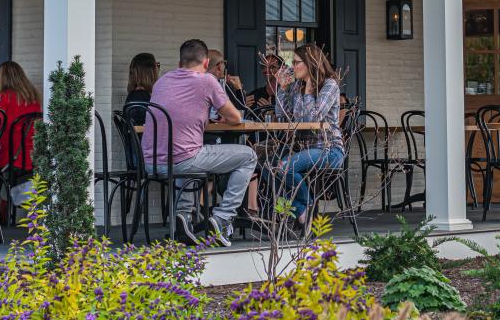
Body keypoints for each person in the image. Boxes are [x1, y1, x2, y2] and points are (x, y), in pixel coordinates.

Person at [140, 39, 256, 247]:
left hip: (150, 163)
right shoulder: (206, 80)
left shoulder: (162, 81)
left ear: (179, 63)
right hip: (181, 161)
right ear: (206, 63)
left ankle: (183, 217)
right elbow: (235, 118)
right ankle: (222, 217)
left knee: (187, 150)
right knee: (248, 156)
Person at [268, 44, 346, 230]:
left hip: (329, 150)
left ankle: (305, 209)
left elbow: (313, 118)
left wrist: (309, 93)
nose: (292, 67)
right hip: (303, 150)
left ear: (310, 64)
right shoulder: (296, 86)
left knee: (285, 166)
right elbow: (283, 115)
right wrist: (283, 89)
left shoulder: (330, 85)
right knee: (267, 166)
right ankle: (303, 209)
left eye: (296, 63)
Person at [0, 62, 42, 214]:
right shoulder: (33, 96)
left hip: (10, 154)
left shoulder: (4, 98)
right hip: (31, 153)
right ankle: (3, 204)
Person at [124, 52, 160, 126]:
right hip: (145, 137)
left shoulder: (135, 95)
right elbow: (151, 124)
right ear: (149, 72)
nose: (158, 69)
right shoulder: (141, 98)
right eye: (157, 65)